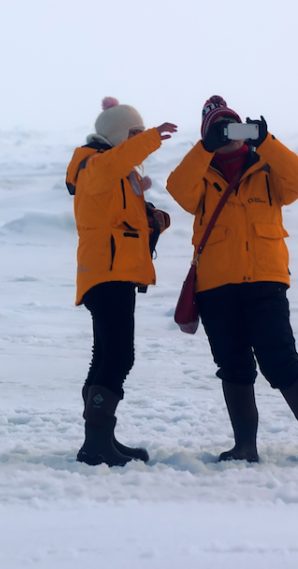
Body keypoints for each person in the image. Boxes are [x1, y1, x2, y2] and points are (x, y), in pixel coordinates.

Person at [166, 95, 298, 463]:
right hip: (216, 285)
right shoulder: (201, 171)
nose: (229, 134)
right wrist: (204, 149)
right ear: (207, 135)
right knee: (233, 365)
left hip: (265, 279)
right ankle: (245, 446)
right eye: (219, 129)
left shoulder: (266, 165)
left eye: (233, 126)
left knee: (281, 361)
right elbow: (178, 191)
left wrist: (267, 140)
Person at [66, 97, 177, 466]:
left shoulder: (111, 171)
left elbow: (121, 222)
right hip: (107, 273)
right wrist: (151, 139)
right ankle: (97, 443)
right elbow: (112, 165)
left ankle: (100, 439)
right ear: (115, 134)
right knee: (118, 355)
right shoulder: (93, 163)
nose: (140, 139)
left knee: (106, 356)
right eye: (134, 133)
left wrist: (152, 220)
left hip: (113, 272)